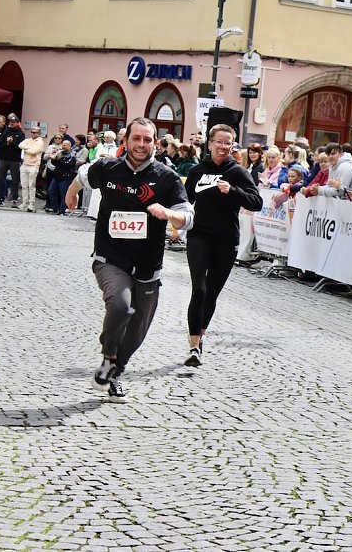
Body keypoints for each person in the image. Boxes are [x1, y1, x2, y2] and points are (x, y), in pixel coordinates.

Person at [64, 117, 193, 402]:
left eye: (148, 140)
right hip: (110, 257)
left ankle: (115, 372)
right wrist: (71, 193)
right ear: (126, 141)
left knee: (138, 328)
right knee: (121, 306)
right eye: (137, 139)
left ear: (156, 144)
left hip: (148, 265)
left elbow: (188, 216)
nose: (142, 145)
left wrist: (170, 214)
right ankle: (109, 356)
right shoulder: (108, 167)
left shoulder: (166, 177)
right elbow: (83, 175)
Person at [182, 124, 263, 367]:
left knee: (212, 293)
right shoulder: (197, 171)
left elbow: (256, 201)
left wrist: (233, 191)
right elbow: (184, 199)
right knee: (200, 288)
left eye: (228, 143)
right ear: (210, 143)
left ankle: (202, 335)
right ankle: (194, 346)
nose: (223, 146)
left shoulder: (238, 172)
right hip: (199, 235)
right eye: (219, 141)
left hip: (226, 239)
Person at [18, 126, 45, 212]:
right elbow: (20, 145)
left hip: (33, 166)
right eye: (32, 132)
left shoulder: (40, 142)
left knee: (31, 186)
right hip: (25, 164)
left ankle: (31, 204)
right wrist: (29, 148)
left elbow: (34, 151)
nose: (32, 134)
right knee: (24, 185)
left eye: (35, 132)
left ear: (39, 133)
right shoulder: (28, 140)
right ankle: (24, 202)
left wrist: (27, 148)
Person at [49, 139, 78, 215]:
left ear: (69, 146)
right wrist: (53, 158)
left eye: (65, 145)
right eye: (63, 145)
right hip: (56, 176)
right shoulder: (60, 153)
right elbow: (55, 163)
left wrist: (58, 159)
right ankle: (55, 207)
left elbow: (67, 165)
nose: (63, 146)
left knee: (64, 194)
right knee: (51, 191)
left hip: (65, 177)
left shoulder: (72, 155)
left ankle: (62, 210)